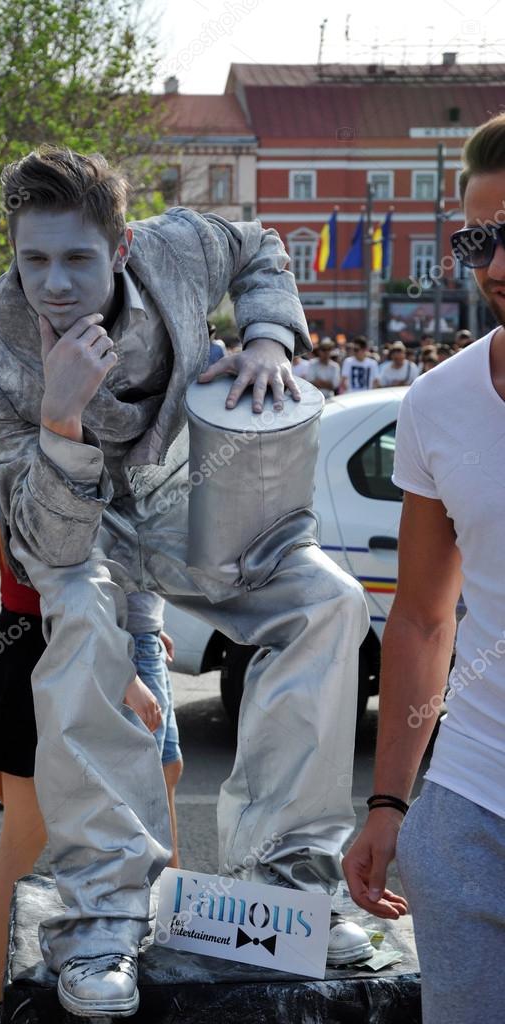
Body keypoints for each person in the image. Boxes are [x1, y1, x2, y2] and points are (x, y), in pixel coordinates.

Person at [0, 147, 369, 1018]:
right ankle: (104, 912)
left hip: (199, 496)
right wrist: (61, 417)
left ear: (123, 247)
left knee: (330, 602)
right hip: (83, 526)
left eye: (76, 258)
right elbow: (43, 544)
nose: (54, 284)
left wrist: (266, 337)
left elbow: (262, 246)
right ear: (14, 253)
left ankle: (290, 881)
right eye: (34, 260)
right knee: (79, 619)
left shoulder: (181, 246)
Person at [343, 111, 505, 1024]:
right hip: (469, 815)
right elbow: (421, 616)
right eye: (479, 238)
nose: (496, 266)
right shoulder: (439, 402)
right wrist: (391, 802)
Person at [0, 510, 183, 1024]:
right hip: (53, 657)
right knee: (22, 845)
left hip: (77, 652)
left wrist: (143, 633)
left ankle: (158, 984)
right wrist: (123, 665)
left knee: (157, 814)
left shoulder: (73, 463)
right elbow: (65, 591)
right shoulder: (54, 468)